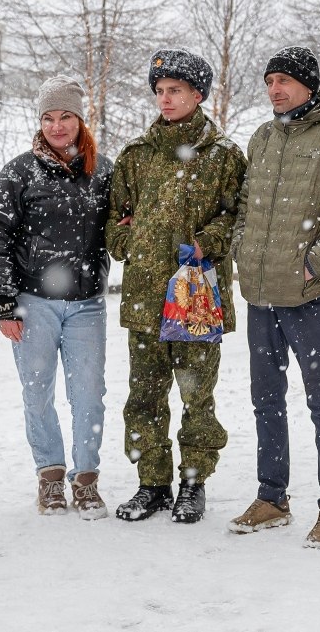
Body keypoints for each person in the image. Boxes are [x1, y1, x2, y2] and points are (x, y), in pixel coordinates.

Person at [228, 46, 320, 546]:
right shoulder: (263, 138)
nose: (275, 90)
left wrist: (315, 260)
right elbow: (247, 207)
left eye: (284, 81)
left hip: (311, 298)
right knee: (265, 401)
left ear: (308, 87)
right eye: (269, 81)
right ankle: (272, 498)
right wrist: (241, 251)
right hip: (260, 296)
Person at [106, 48, 246, 524]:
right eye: (160, 92)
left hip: (196, 297)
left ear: (198, 95)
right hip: (146, 296)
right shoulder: (136, 157)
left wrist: (210, 239)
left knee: (195, 396)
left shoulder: (224, 156)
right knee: (143, 395)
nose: (165, 99)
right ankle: (151, 484)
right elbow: (113, 219)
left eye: (175, 91)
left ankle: (193, 483)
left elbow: (239, 214)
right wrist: (127, 237)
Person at [0, 75, 113, 520]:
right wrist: (5, 301)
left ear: (80, 120)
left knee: (89, 394)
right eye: (49, 117)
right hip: (32, 303)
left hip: (87, 303)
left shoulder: (103, 172)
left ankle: (86, 479)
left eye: (66, 117)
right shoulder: (19, 172)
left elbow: (122, 227)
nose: (57, 126)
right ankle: (51, 477)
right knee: (37, 393)